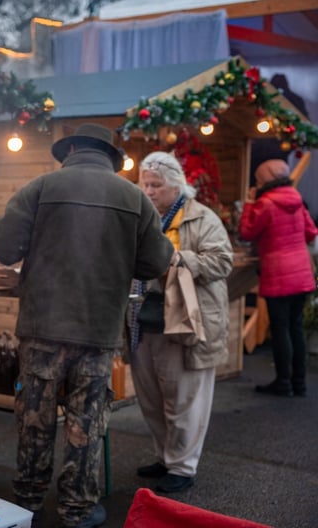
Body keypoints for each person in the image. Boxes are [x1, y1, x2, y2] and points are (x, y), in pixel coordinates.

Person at [0, 124, 173, 528]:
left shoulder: (39, 187)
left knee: (35, 417)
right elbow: (156, 263)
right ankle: (77, 509)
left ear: (70, 149)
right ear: (112, 157)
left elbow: (3, 247)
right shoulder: (135, 199)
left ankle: (27, 500)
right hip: (98, 329)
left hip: (41, 327)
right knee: (86, 421)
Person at [130, 151, 233, 495]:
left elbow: (221, 261)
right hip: (144, 322)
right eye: (145, 184)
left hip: (187, 322)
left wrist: (176, 260)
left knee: (185, 400)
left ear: (177, 186)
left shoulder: (202, 218)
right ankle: (165, 457)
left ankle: (183, 466)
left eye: (156, 185)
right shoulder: (141, 218)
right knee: (152, 399)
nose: (149, 191)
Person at [239, 158, 317, 397]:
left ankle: (283, 382)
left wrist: (249, 203)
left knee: (280, 328)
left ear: (263, 180)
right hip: (302, 275)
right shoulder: (296, 200)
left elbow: (247, 232)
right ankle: (299, 382)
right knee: (295, 328)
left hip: (279, 275)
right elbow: (311, 232)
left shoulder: (265, 203)